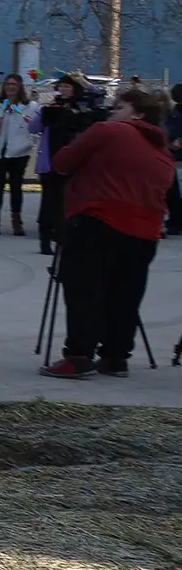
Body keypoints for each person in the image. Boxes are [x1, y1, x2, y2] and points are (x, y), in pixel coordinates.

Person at [40, 89, 175, 378]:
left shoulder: (107, 131)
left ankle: (78, 355)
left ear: (138, 113)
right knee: (125, 295)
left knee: (84, 290)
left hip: (98, 220)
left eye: (119, 106)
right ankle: (115, 357)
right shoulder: (162, 150)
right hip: (145, 231)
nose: (111, 110)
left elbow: (62, 162)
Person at [30, 75, 103, 255]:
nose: (63, 90)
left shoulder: (83, 106)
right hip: (51, 161)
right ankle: (45, 240)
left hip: (75, 162)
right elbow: (33, 128)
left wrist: (85, 84)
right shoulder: (51, 107)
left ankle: (64, 238)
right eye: (61, 86)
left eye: (68, 86)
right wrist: (43, 110)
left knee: (69, 202)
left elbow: (99, 96)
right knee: (49, 202)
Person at [0, 74, 37, 237]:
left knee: (16, 187)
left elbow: (36, 130)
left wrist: (29, 134)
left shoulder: (30, 106)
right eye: (7, 84)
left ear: (20, 87)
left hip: (19, 152)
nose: (10, 87)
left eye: (14, 84)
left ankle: (16, 220)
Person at [165, 84, 182, 235]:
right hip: (174, 157)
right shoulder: (173, 113)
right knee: (175, 191)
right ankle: (176, 221)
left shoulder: (174, 113)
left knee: (176, 191)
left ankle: (176, 222)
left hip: (176, 156)